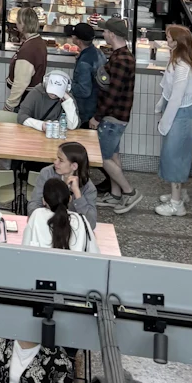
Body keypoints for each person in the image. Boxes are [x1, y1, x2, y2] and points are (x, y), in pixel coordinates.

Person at [94, 18, 141, 214]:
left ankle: (130, 192)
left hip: (113, 117)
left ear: (112, 34)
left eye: (105, 31)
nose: (103, 34)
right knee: (113, 155)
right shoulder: (121, 55)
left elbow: (112, 94)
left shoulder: (122, 60)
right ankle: (115, 195)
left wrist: (97, 116)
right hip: (117, 116)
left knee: (102, 158)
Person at [155, 24, 192, 217]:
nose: (167, 41)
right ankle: (179, 192)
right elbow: (168, 90)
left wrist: (165, 122)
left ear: (177, 42)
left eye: (169, 38)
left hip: (179, 115)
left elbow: (176, 97)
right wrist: (160, 105)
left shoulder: (182, 67)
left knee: (175, 157)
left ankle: (176, 204)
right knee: (174, 154)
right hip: (175, 112)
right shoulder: (176, 60)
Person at [28, 142, 98, 229]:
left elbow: (91, 224)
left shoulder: (88, 188)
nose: (55, 162)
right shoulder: (47, 173)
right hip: (46, 226)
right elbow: (34, 205)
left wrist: (77, 194)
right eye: (57, 158)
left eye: (60, 160)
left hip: (73, 232)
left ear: (74, 166)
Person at [22, 176, 98, 252]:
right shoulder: (81, 220)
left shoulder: (37, 215)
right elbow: (94, 254)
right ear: (70, 199)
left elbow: (24, 250)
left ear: (44, 201)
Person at [5, 6, 47, 109]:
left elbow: (21, 83)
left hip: (25, 100)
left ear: (23, 24)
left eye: (18, 21)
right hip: (33, 98)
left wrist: (9, 105)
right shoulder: (38, 41)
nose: (16, 23)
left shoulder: (29, 50)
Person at [66, 23, 102, 127]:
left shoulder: (84, 62)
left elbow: (84, 90)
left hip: (86, 113)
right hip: (96, 109)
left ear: (78, 41)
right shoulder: (98, 53)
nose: (71, 36)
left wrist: (67, 86)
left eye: (73, 35)